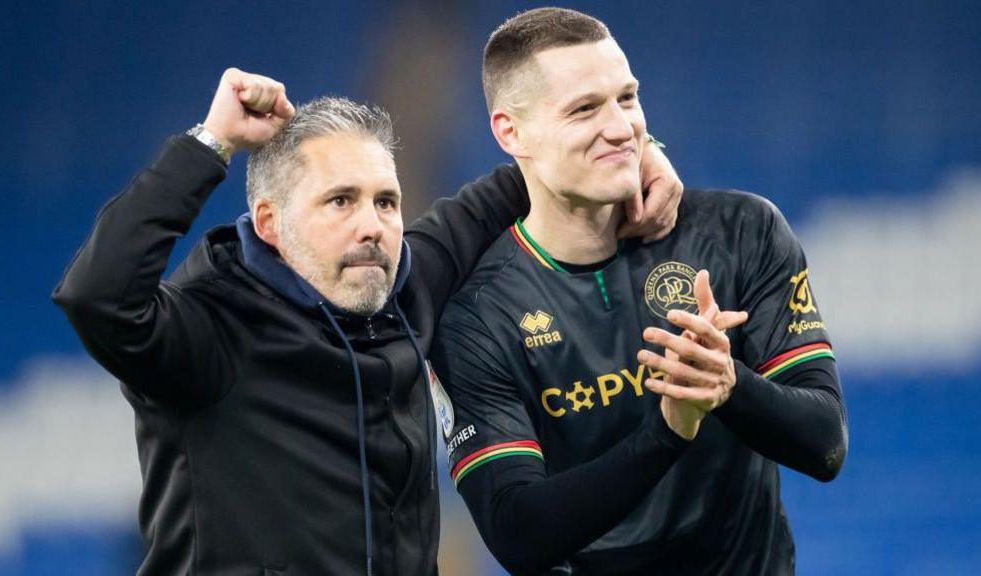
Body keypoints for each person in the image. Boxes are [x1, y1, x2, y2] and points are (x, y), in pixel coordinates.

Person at [52, 67, 682, 575]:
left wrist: (639, 154)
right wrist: (209, 143)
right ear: (270, 224)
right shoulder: (209, 330)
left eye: (385, 201)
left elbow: (526, 176)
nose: (372, 224)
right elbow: (97, 297)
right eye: (340, 201)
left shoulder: (407, 288)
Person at [429, 7, 849, 575]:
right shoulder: (476, 319)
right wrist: (669, 430)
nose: (622, 127)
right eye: (583, 109)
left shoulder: (741, 231)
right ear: (511, 132)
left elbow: (826, 445)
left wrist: (729, 385)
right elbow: (519, 532)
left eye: (626, 99)